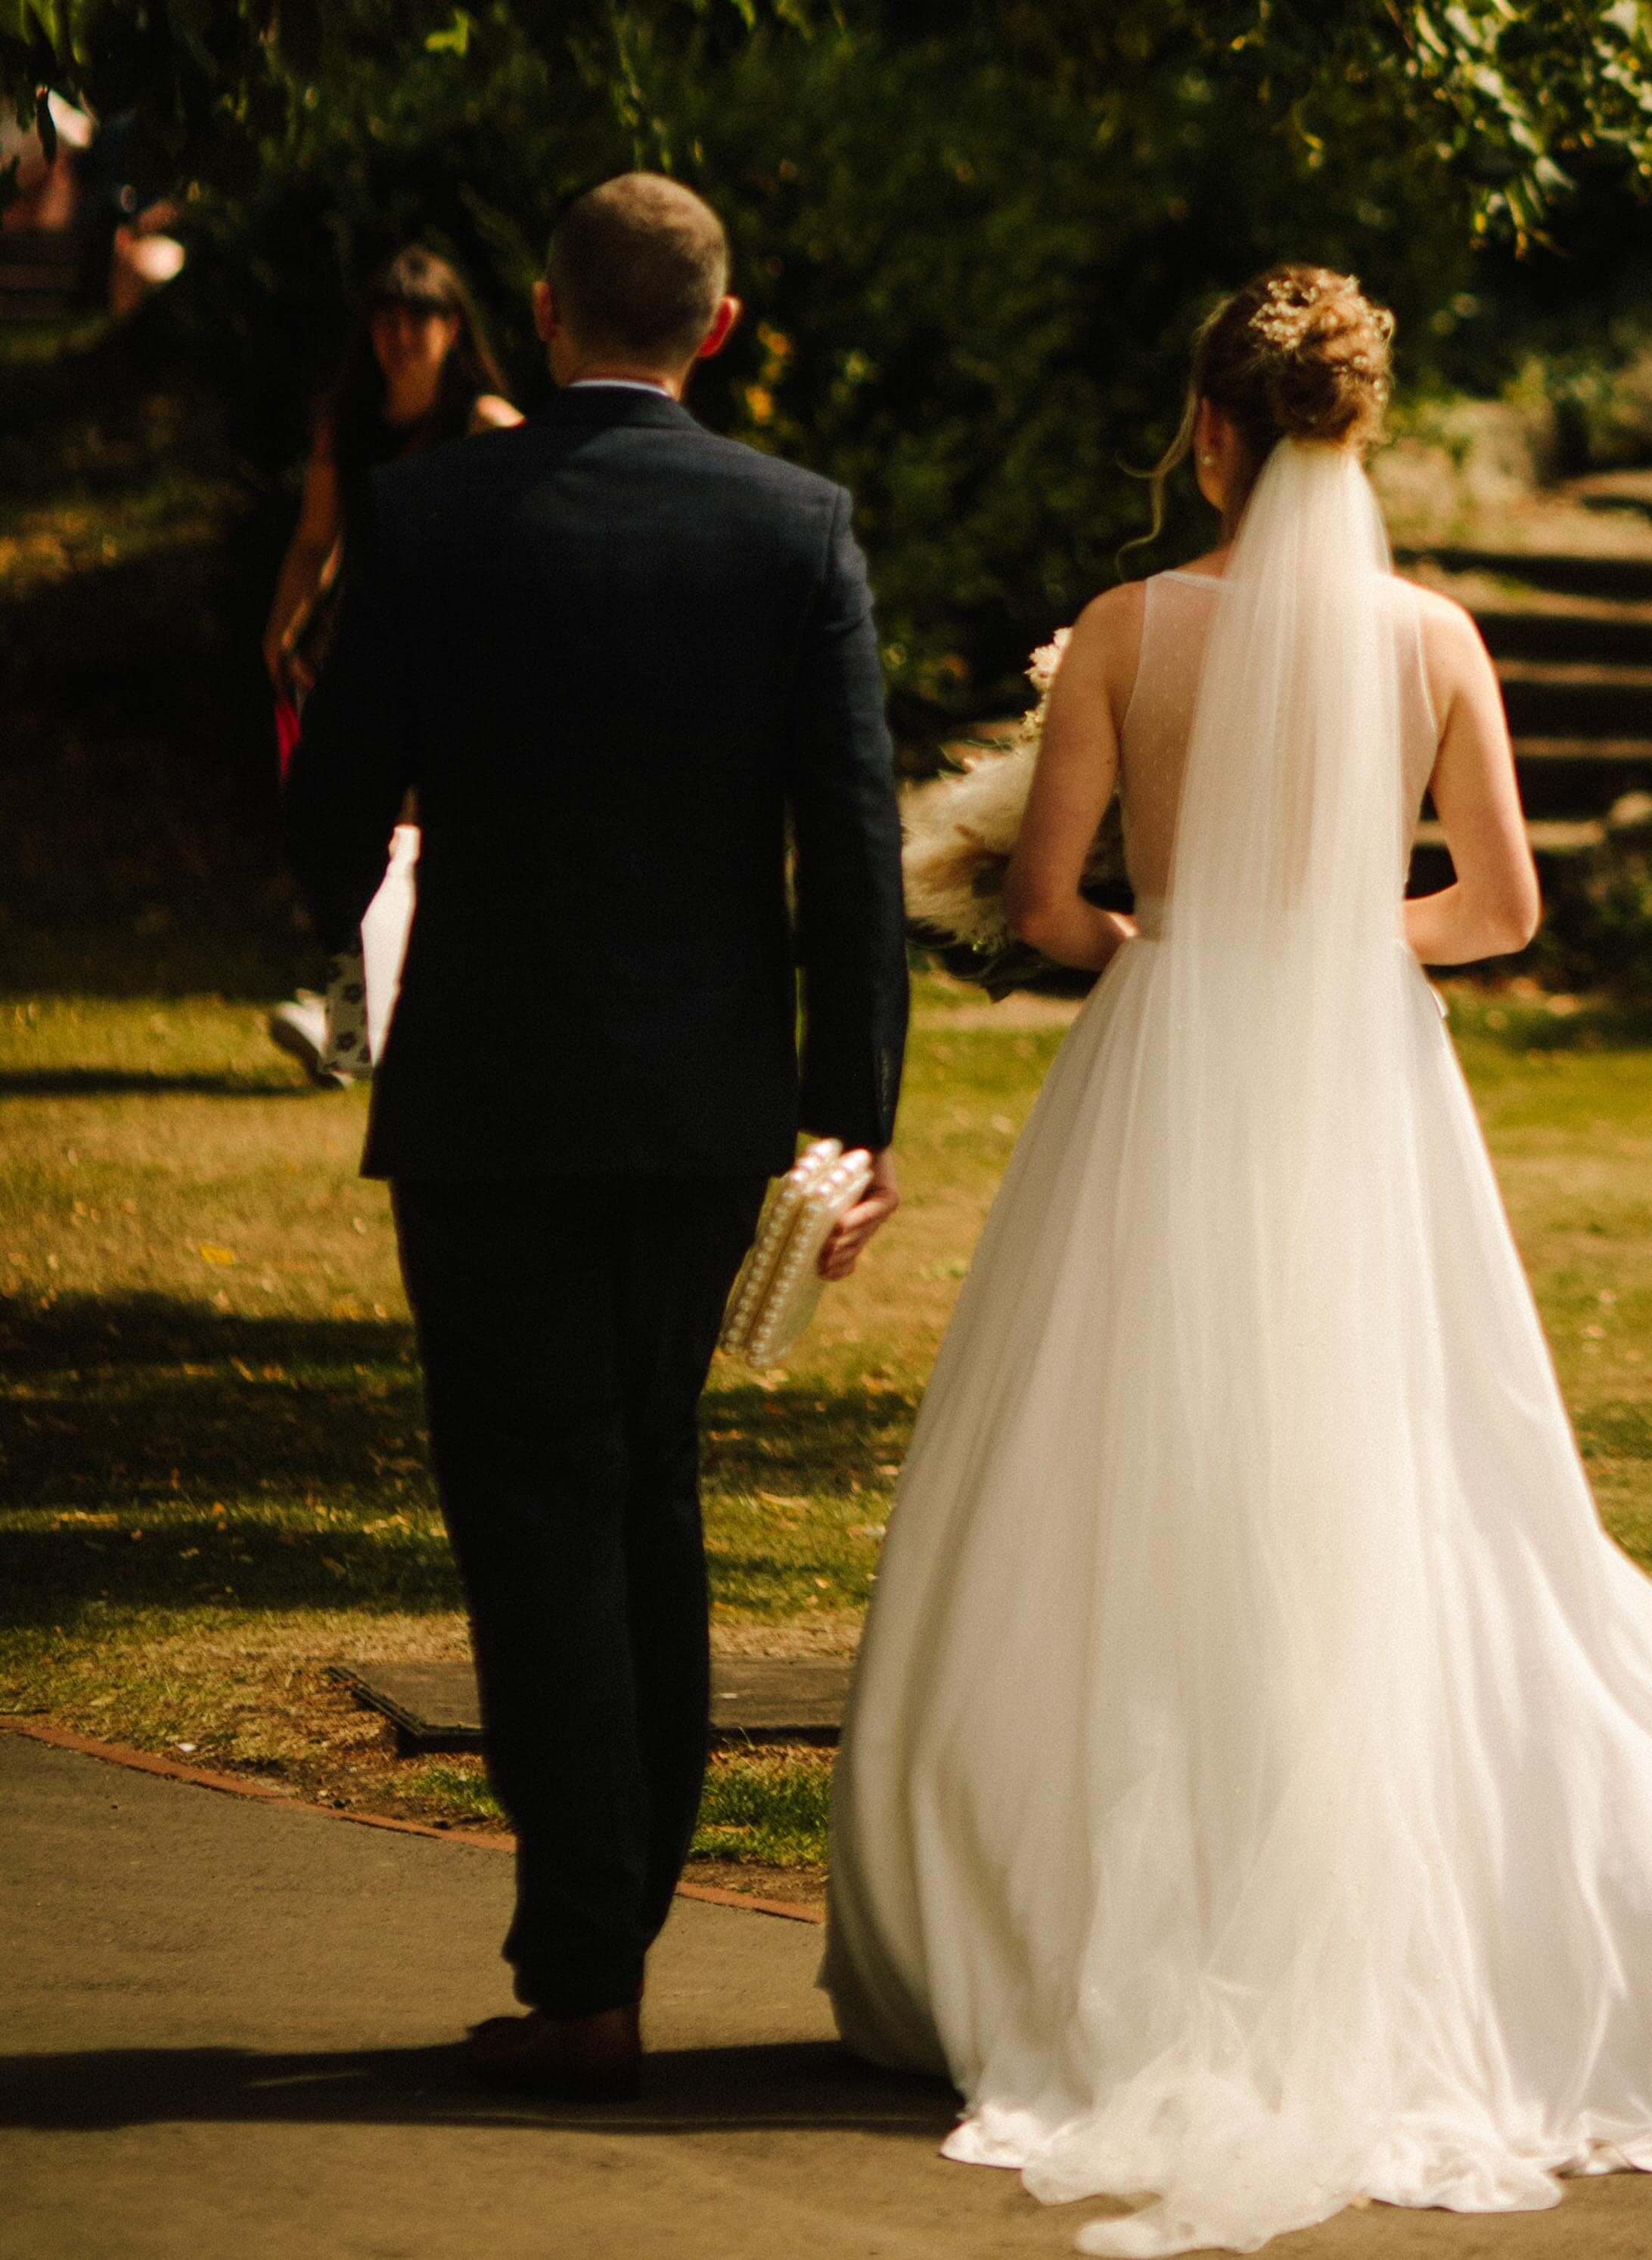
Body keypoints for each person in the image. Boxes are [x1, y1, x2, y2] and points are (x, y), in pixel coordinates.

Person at [821, 267, 1652, 2257]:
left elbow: (1048, 905)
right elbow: (1501, 903)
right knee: (1416, 1477)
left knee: (1117, 1465)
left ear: (1208, 435)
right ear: (1357, 435)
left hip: (1174, 1060)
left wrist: (1178, 953)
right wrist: (1341, 951)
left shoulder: (1131, 631)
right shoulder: (1432, 638)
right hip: (1364, 1093)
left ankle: (1070, 1922)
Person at [283, 173, 908, 2102]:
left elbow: (330, 832)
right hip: (706, 1096)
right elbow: (858, 840)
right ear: (713, 330)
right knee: (651, 1484)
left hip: (487, 1093)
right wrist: (853, 1118)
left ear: (544, 314)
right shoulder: (796, 528)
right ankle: (605, 1933)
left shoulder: (432, 514)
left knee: (531, 1503)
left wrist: (366, 850)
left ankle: (587, 1964)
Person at [263, 245, 522, 1087]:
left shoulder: (487, 423)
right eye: (388, 317)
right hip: (364, 660)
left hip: (460, 671)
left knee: (429, 852)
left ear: (455, 327)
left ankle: (393, 1024)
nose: (402, 334)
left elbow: (535, 541)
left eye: (422, 317)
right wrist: (283, 629)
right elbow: (314, 541)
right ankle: (350, 1030)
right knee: (332, 838)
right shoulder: (350, 420)